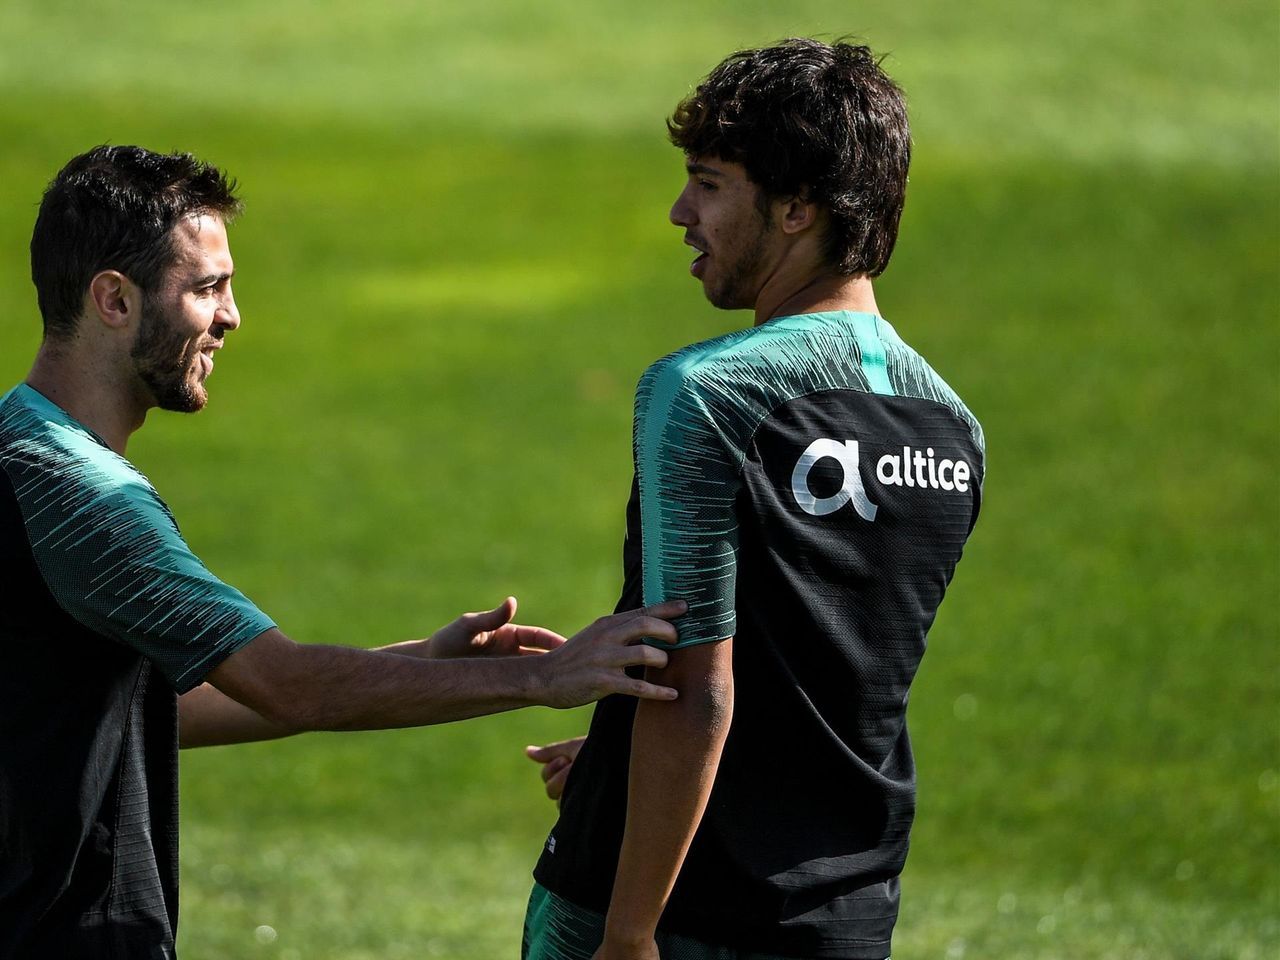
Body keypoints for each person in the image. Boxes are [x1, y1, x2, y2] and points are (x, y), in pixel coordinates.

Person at [0, 144, 688, 958]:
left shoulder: (18, 441)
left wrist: (434, 661)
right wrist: (545, 677)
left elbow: (154, 711)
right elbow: (285, 684)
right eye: (207, 287)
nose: (232, 316)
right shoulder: (89, 500)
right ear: (114, 299)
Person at [523, 38, 986, 960]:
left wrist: (626, 932)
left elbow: (699, 688)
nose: (679, 212)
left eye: (709, 183)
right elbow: (820, 671)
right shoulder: (952, 428)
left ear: (795, 210)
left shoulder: (708, 394)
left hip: (672, 905)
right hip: (843, 915)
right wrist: (614, 755)